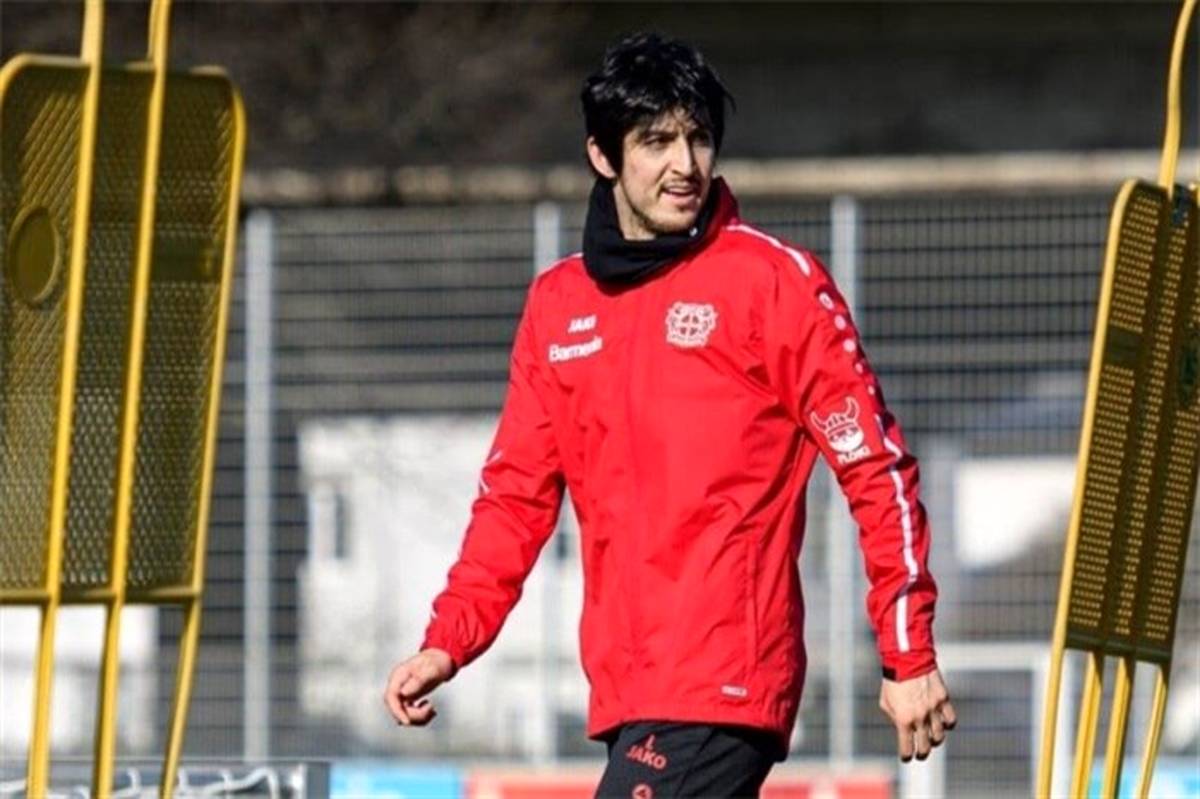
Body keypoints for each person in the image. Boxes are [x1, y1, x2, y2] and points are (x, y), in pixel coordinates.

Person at [384, 31, 956, 798]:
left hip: (725, 682)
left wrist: (907, 650)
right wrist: (449, 640)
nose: (685, 164)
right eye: (656, 141)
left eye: (698, 138)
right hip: (626, 691)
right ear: (603, 155)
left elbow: (876, 467)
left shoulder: (774, 283)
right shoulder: (558, 305)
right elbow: (514, 499)